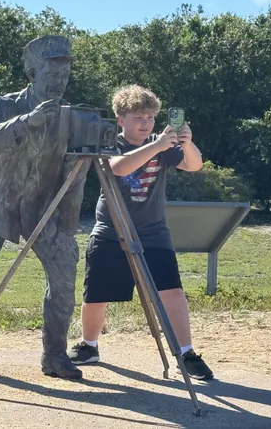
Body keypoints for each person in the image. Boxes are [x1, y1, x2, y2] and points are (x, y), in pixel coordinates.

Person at [0, 35, 90, 380]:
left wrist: (67, 226)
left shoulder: (70, 117)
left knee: (64, 271)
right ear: (32, 73)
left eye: (64, 76)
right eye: (52, 75)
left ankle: (55, 356)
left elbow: (75, 177)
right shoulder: (0, 104)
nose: (59, 82)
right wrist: (26, 121)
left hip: (41, 210)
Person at [68, 84, 214, 380]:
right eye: (138, 118)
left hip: (153, 232)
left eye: (150, 118)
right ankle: (89, 346)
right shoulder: (112, 143)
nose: (146, 124)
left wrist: (186, 142)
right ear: (120, 119)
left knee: (172, 293)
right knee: (96, 294)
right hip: (111, 230)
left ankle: (186, 353)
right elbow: (118, 169)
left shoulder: (163, 145)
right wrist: (158, 145)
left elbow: (194, 165)